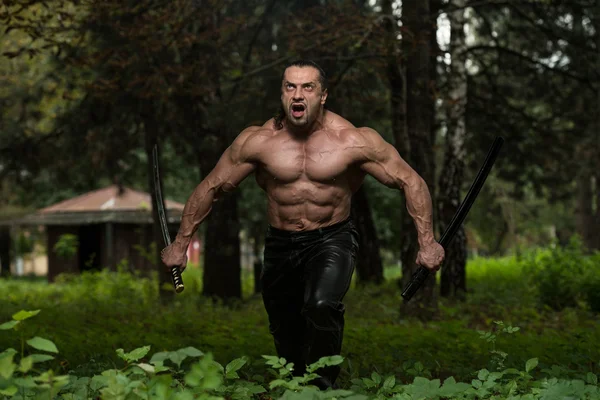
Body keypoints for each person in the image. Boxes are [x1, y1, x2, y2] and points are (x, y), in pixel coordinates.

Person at [160, 59, 445, 390]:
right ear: (282, 94)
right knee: (284, 323)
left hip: (332, 239)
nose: (298, 94)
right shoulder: (257, 141)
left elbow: (410, 180)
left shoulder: (352, 140)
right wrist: (181, 244)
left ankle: (321, 390)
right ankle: (296, 386)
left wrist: (427, 242)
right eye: (290, 86)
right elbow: (212, 187)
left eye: (307, 87)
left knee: (322, 305)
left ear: (322, 95)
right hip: (280, 242)